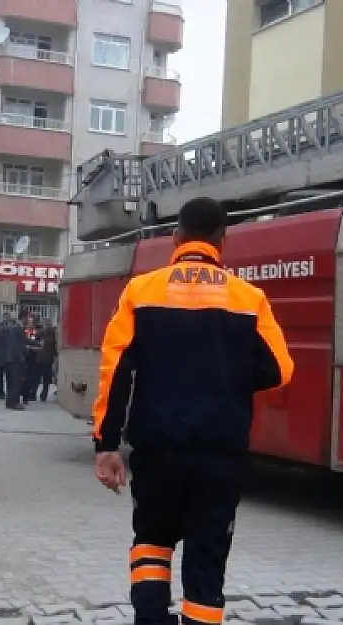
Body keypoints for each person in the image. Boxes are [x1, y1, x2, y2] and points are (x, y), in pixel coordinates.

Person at [91, 197, 294, 625]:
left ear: (176, 237)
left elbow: (115, 372)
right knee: (206, 563)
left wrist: (106, 444)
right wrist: (227, 378)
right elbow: (281, 368)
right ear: (224, 239)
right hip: (220, 455)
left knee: (150, 543)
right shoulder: (248, 297)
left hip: (158, 450)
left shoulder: (141, 291)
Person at [36, 317, 58, 401]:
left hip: (46, 358)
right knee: (42, 378)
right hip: (43, 358)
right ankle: (41, 394)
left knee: (44, 377)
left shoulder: (51, 332)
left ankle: (42, 394)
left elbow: (49, 343)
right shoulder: (41, 332)